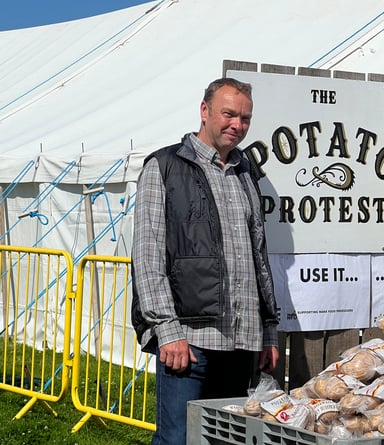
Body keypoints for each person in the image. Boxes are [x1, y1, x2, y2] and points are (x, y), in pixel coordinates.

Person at [131, 77, 279, 444]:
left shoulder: (247, 173)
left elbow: (258, 257)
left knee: (224, 439)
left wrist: (268, 330)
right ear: (204, 111)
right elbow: (148, 256)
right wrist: (167, 330)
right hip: (190, 339)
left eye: (245, 118)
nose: (237, 125)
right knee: (178, 439)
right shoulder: (164, 167)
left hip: (242, 341)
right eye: (229, 114)